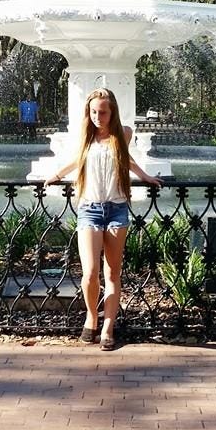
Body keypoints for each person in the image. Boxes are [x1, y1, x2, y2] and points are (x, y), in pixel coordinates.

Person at [45, 88, 162, 351]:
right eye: (94, 111)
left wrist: (146, 176)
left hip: (117, 208)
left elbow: (127, 159)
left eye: (103, 112)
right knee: (89, 274)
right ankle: (90, 316)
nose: (99, 116)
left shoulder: (124, 133)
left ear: (112, 112)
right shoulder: (86, 136)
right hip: (89, 208)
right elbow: (78, 160)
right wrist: (56, 174)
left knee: (112, 272)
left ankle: (108, 327)